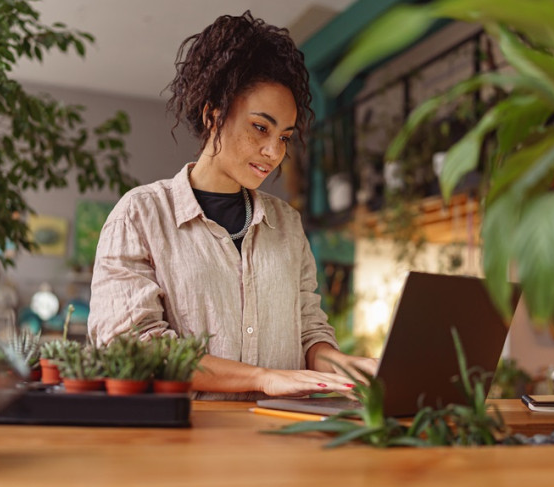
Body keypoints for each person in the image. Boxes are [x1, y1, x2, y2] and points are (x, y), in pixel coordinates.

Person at [88, 11, 377, 400]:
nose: (274, 152)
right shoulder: (140, 215)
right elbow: (133, 348)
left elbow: (309, 332)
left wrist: (349, 366)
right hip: (183, 447)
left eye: (285, 136)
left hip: (282, 443)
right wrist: (261, 377)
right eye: (261, 127)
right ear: (213, 115)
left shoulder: (286, 224)